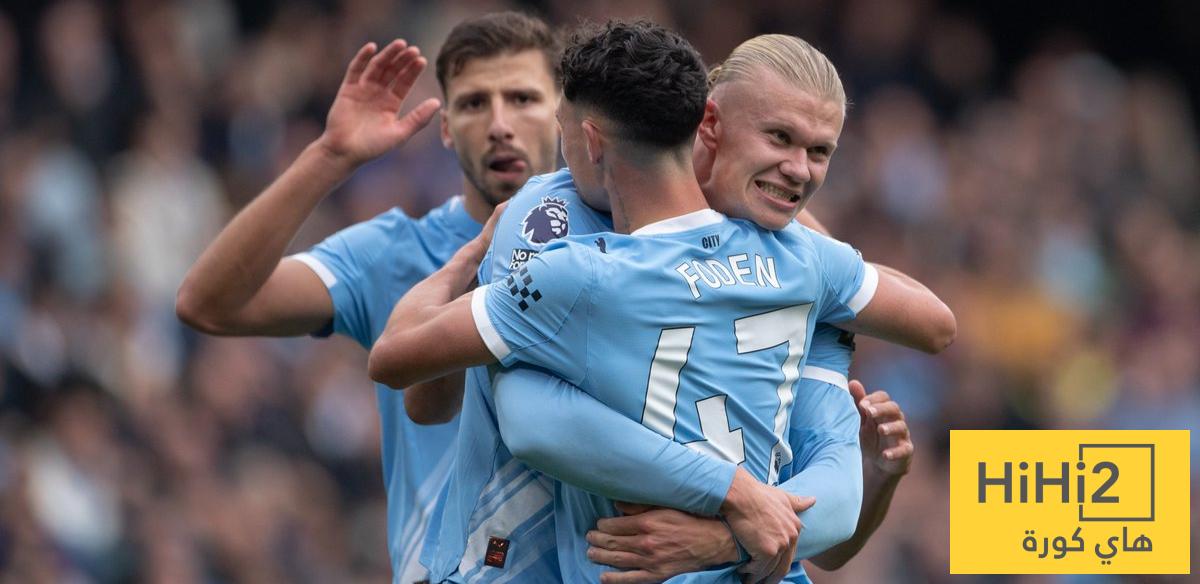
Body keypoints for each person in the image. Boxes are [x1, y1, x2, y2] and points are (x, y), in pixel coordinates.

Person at [369, 22, 953, 584]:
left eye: (819, 151)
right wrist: (735, 499)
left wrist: (724, 537)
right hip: (520, 560)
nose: (798, 169)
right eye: (779, 137)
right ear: (708, 123)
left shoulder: (795, 263)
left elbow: (835, 530)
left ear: (590, 138)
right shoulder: (558, 219)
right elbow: (478, 410)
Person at [174, 12, 561, 582]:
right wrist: (330, 155)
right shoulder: (393, 253)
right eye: (475, 103)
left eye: (523, 98)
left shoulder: (619, 245)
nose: (500, 124)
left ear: (562, 112)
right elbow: (208, 304)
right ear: (446, 128)